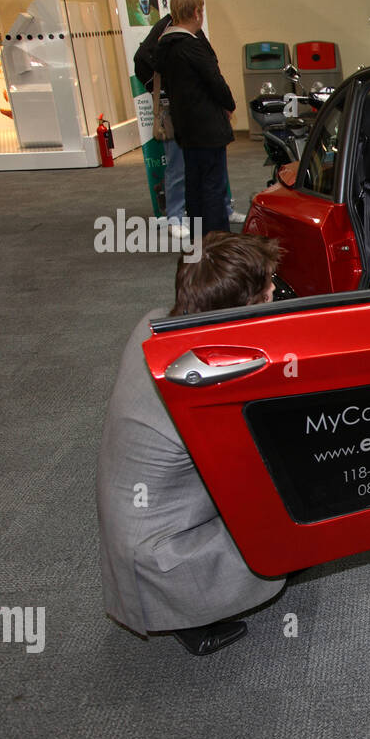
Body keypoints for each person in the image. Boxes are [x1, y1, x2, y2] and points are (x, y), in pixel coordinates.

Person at [97, 233, 284, 656]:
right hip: (162, 554)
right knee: (288, 498)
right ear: (244, 306)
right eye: (268, 287)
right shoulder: (202, 386)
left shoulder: (155, 322)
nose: (276, 289)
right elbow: (248, 462)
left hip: (138, 524)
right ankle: (191, 614)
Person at [134, 0, 242, 236]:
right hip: (205, 126)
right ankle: (217, 241)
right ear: (195, 12)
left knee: (195, 182)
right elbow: (215, 82)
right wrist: (228, 104)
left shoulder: (168, 45)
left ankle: (200, 236)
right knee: (209, 183)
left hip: (186, 125)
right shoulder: (189, 45)